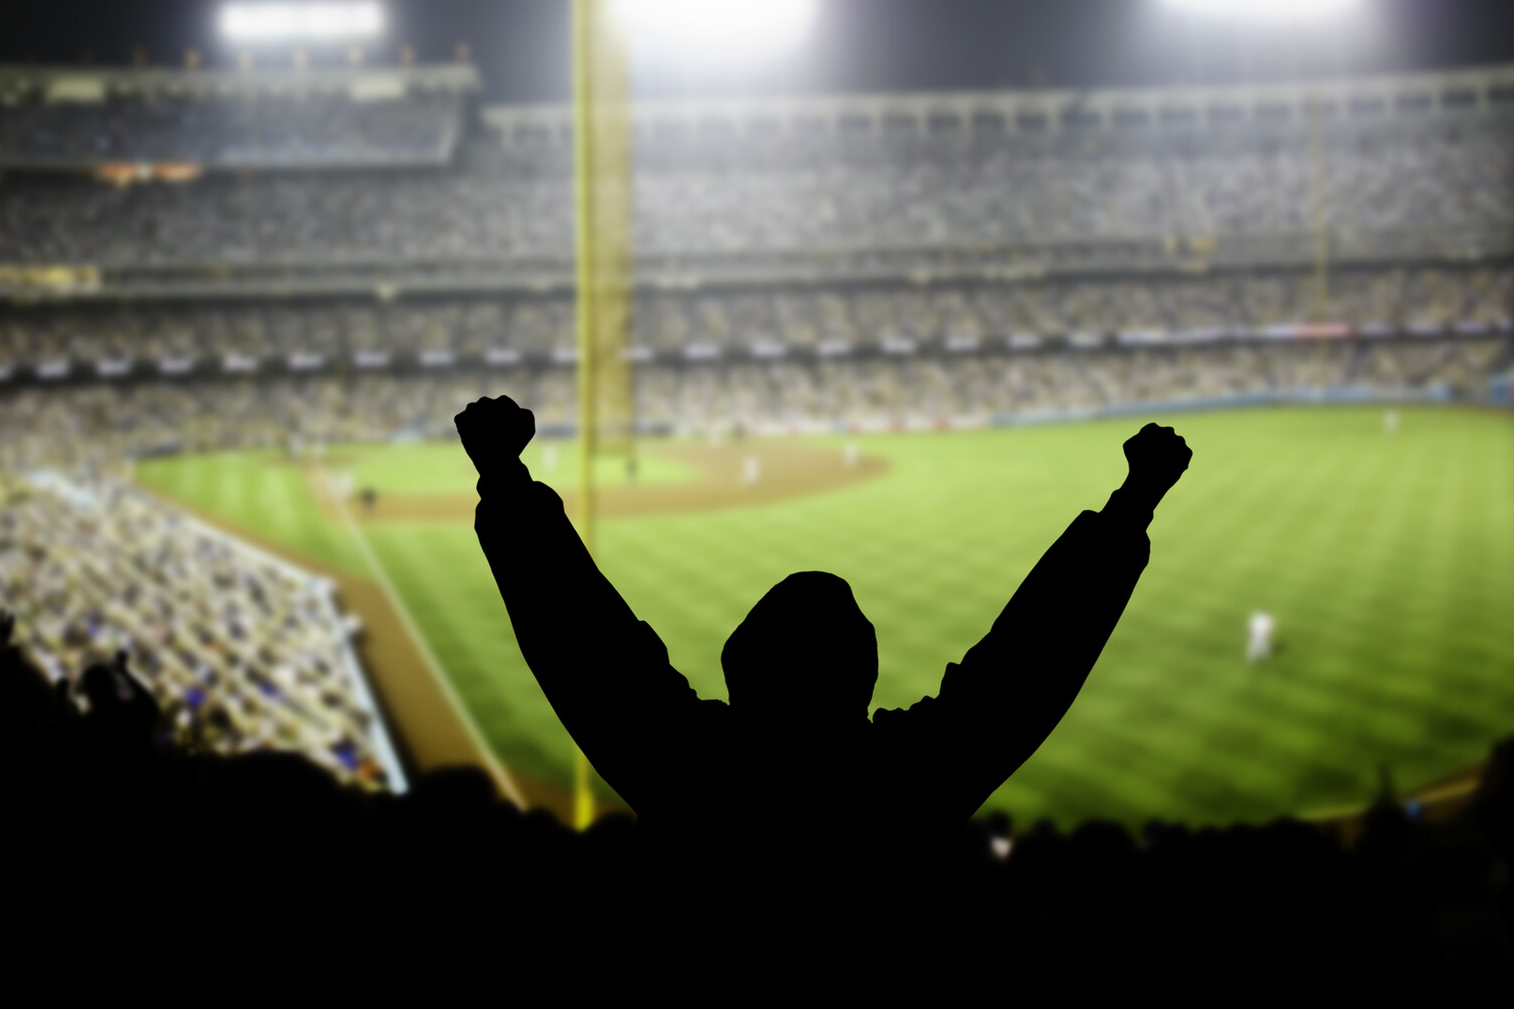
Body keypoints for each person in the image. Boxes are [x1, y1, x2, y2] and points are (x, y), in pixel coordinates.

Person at [456, 393, 1191, 921]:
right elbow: (1028, 664)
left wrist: (506, 480)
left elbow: (585, 644)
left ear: (739, 668)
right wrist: (1132, 503)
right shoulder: (912, 777)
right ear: (864, 676)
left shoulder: (689, 769)